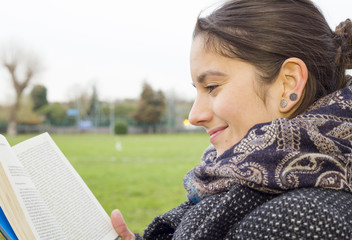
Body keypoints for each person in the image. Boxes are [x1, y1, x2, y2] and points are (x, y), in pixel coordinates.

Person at [111, 0, 352, 239]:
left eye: (212, 87)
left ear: (288, 83)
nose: (194, 116)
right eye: (198, 89)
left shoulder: (301, 220)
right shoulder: (243, 184)